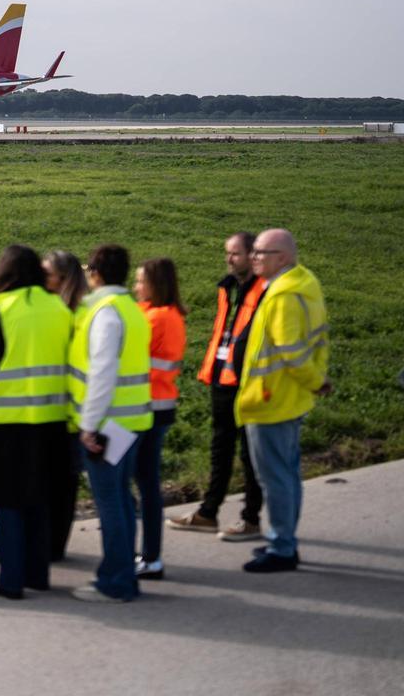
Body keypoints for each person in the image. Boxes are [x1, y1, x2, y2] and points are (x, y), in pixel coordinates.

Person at [0, 245, 74, 599]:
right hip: (53, 418)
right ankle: (37, 574)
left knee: (9, 502)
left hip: (7, 420)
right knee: (40, 498)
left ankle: (11, 581)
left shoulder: (2, 309)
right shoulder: (59, 308)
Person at [237, 228, 330, 573]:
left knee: (274, 478)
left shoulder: (282, 296)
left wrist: (316, 381)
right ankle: (284, 538)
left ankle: (282, 547)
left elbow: (291, 353)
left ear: (283, 257)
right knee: (287, 474)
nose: (254, 257)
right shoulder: (304, 283)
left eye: (261, 252)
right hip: (292, 398)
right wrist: (316, 381)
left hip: (271, 400)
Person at [68, 244, 153, 603]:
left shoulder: (104, 312)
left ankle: (116, 581)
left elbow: (102, 372)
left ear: (96, 274)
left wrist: (88, 425)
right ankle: (122, 576)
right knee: (120, 499)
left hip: (106, 424)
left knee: (111, 503)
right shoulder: (130, 309)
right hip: (131, 421)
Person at [167, 232, 265, 540]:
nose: (229, 259)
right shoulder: (228, 287)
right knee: (220, 447)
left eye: (235, 253)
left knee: (251, 453)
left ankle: (251, 518)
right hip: (223, 377)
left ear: (253, 255)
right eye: (228, 253)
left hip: (250, 380)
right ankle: (208, 513)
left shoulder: (266, 290)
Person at [131, 258, 187, 580]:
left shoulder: (160, 318)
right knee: (144, 480)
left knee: (145, 482)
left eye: (141, 281)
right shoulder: (159, 313)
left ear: (156, 283)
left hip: (149, 407)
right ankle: (149, 554)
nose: (137, 286)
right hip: (157, 405)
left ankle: (150, 556)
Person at [41, 250, 88, 560]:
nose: (42, 278)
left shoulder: (74, 312)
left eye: (47, 273)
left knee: (62, 480)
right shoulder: (61, 308)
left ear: (62, 278)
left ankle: (54, 543)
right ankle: (53, 543)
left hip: (69, 408)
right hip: (60, 404)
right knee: (60, 479)